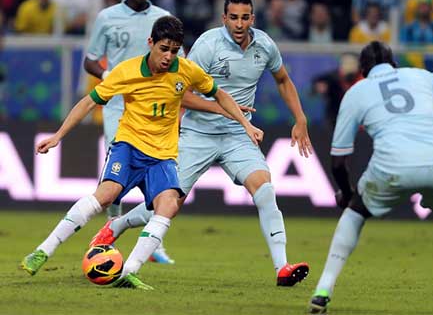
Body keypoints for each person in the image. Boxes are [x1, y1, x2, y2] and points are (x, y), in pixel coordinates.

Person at [20, 15, 263, 290]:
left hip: (163, 155)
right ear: (151, 43)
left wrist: (245, 124)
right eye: (163, 49)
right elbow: (89, 103)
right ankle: (43, 250)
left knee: (169, 205)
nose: (168, 56)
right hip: (129, 147)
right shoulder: (127, 71)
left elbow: (219, 94)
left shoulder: (185, 70)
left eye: (173, 51)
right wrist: (58, 136)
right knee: (107, 195)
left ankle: (129, 271)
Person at [90, 0, 312, 287]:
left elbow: (283, 80)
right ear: (224, 18)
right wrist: (223, 109)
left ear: (253, 19)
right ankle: (116, 225)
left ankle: (282, 268)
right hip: (198, 134)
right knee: (169, 202)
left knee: (265, 189)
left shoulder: (265, 46)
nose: (239, 23)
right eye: (233, 17)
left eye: (245, 17)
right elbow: (180, 94)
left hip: (237, 134)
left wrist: (300, 119)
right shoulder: (207, 45)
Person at [309, 41, 433, 313]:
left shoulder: (357, 91)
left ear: (363, 71)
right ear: (395, 64)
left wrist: (347, 194)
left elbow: (339, 160)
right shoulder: (422, 76)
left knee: (355, 213)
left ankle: (323, 290)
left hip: (392, 164)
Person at [83, 0, 175, 264]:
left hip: (155, 110)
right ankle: (110, 233)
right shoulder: (107, 18)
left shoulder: (162, 19)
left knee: (159, 179)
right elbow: (90, 60)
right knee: (116, 175)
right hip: (118, 106)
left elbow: (177, 62)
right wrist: (109, 74)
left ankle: (153, 240)